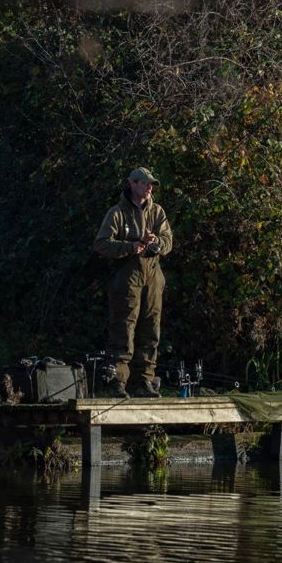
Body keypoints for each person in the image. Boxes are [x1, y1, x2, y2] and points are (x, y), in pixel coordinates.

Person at [92, 166, 173, 398]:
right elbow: (101, 243)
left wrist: (155, 242)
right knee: (123, 328)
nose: (149, 188)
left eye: (151, 185)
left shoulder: (157, 212)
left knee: (151, 328)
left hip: (153, 275)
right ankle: (117, 382)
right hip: (127, 276)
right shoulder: (117, 213)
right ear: (132, 184)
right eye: (145, 183)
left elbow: (168, 240)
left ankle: (144, 382)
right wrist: (129, 246)